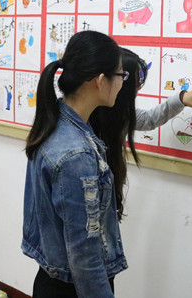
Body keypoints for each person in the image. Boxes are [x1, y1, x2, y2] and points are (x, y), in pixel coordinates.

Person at [22, 30, 128, 297]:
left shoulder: (56, 121)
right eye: (120, 75)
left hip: (52, 280)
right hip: (74, 289)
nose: (122, 83)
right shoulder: (76, 154)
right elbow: (85, 257)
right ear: (100, 81)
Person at [89, 48, 192, 221]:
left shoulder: (119, 114)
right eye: (134, 85)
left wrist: (181, 99)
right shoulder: (82, 131)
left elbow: (149, 119)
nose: (137, 91)